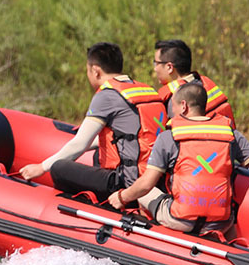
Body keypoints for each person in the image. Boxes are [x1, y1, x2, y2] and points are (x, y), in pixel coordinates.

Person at [108, 81, 249, 234]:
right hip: (220, 223)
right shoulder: (230, 134)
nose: (171, 113)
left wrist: (121, 197)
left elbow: (146, 184)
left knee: (143, 193)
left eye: (173, 107)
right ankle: (231, 248)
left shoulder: (168, 137)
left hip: (180, 220)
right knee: (227, 217)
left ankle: (151, 236)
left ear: (183, 106)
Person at [19, 42, 164, 200]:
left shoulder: (106, 95)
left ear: (96, 71)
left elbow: (79, 144)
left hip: (126, 184)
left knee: (59, 168)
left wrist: (41, 167)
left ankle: (72, 207)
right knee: (98, 154)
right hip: (152, 179)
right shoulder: (144, 89)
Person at [152, 38, 235, 126]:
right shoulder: (203, 85)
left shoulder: (174, 100)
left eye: (156, 63)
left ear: (169, 67)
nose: (155, 68)